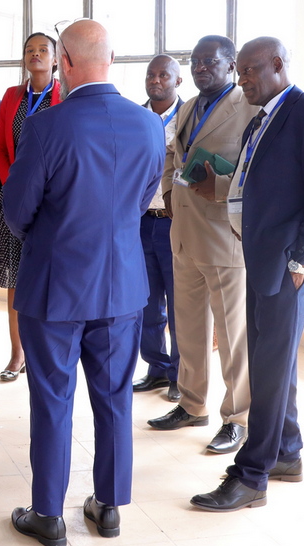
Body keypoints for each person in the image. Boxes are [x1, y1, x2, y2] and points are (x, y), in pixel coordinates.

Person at [4, 19, 164, 546]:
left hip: (55, 285)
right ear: (111, 60)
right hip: (121, 287)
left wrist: (50, 234)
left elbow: (17, 211)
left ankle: (48, 515)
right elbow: (141, 202)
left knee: (53, 398)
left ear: (65, 63)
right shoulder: (148, 126)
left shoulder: (47, 126)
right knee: (115, 397)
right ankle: (109, 507)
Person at [191, 37, 304, 512]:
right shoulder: (261, 119)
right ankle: (286, 452)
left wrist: (301, 260)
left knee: (268, 368)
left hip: (287, 266)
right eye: (239, 72)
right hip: (259, 256)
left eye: (251, 71)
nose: (243, 80)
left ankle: (251, 475)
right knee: (276, 364)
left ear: (278, 64)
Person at [147, 35, 258, 455]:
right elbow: (172, 157)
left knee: (232, 336)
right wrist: (170, 194)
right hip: (184, 236)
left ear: (231, 65)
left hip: (225, 238)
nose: (200, 68)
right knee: (189, 328)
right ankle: (192, 404)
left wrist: (223, 187)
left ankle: (238, 418)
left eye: (210, 61)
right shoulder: (189, 107)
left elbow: (257, 171)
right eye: (194, 62)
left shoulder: (248, 107)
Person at [0, 32, 63, 381]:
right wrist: (16, 184)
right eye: (30, 50)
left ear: (55, 58)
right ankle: (16, 355)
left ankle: (46, 355)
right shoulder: (12, 97)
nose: (36, 54)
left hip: (53, 200)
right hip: (15, 199)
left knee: (51, 277)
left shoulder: (65, 96)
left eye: (43, 50)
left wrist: (44, 189)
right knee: (16, 279)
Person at [133, 54, 184, 402]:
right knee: (147, 304)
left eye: (164, 75)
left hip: (176, 225)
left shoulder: (191, 117)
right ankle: (156, 368)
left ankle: (181, 376)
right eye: (151, 74)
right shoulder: (134, 117)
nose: (156, 79)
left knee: (181, 307)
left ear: (178, 81)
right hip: (138, 224)